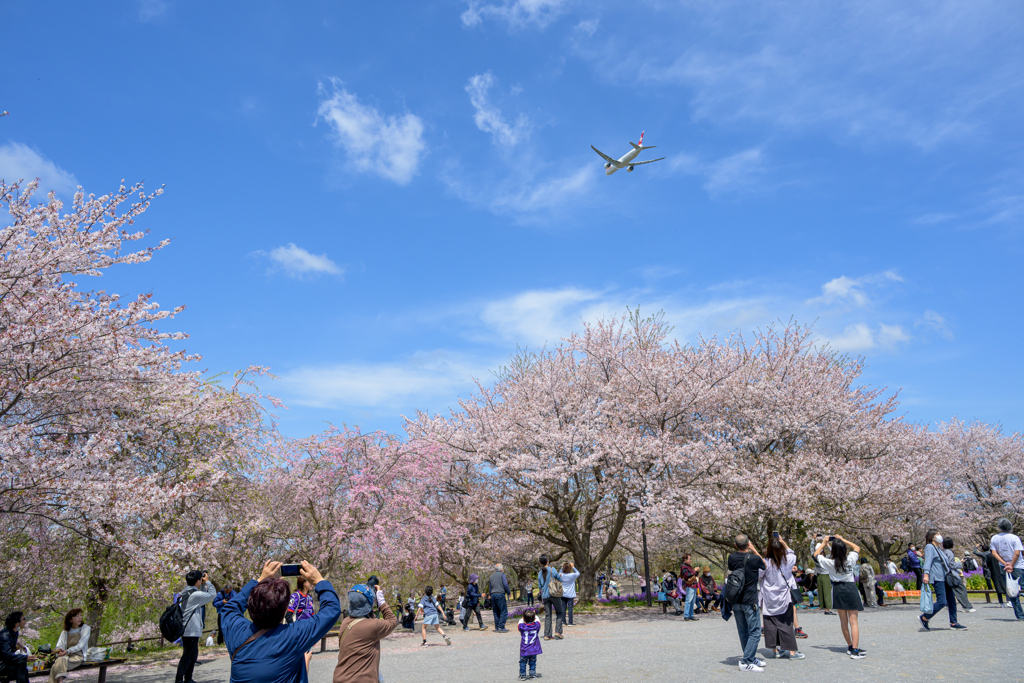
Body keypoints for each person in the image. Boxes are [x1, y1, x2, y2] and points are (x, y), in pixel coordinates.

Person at [220, 561, 339, 683]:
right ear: (283, 611)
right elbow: (332, 610)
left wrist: (259, 580)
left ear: (250, 605)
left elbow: (229, 608)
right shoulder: (293, 636)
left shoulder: (236, 631)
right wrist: (319, 580)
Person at [333, 581, 397, 683]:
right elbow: (392, 620)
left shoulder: (345, 623)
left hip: (340, 678)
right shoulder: (373, 626)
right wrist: (380, 599)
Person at [814, 534, 866, 658]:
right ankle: (855, 649)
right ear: (844, 550)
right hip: (850, 588)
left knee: (843, 621)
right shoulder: (850, 559)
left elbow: (815, 555)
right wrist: (843, 539)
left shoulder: (829, 562)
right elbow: (857, 548)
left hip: (838, 589)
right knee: (854, 622)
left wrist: (823, 542)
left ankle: (849, 646)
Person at [726, 535, 767, 672]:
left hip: (736, 600)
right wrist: (754, 550)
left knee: (743, 631)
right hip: (750, 601)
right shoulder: (755, 559)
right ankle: (746, 661)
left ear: (736, 545)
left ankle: (750, 656)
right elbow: (765, 565)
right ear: (748, 544)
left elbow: (733, 568)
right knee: (755, 632)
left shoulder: (731, 558)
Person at [760, 537, 803, 660]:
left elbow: (759, 576)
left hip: (769, 598)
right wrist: (783, 541)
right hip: (784, 597)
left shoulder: (765, 563)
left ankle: (775, 651)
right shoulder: (788, 561)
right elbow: (791, 552)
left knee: (770, 624)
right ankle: (792, 652)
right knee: (786, 624)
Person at [918, 528, 967, 631]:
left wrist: (959, 565)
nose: (941, 536)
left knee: (952, 601)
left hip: (945, 577)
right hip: (937, 578)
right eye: (938, 534)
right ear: (933, 537)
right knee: (942, 602)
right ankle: (924, 617)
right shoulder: (929, 547)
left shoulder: (939, 549)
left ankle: (954, 623)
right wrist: (926, 574)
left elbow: (947, 563)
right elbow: (928, 562)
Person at [175, 570, 216, 683]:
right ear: (198, 580)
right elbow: (212, 594)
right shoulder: (194, 594)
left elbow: (202, 600)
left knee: (192, 656)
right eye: (200, 580)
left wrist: (202, 585)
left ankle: (188, 678)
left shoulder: (188, 592)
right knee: (187, 656)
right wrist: (208, 582)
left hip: (190, 630)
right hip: (190, 630)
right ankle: (179, 680)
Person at [989, 518, 1024, 620]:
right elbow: (1017, 553)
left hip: (1003, 567)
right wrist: (1011, 564)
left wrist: (1005, 563)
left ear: (999, 527)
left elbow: (994, 552)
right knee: (1021, 587)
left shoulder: (994, 538)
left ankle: (1020, 615)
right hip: (1018, 566)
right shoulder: (1015, 538)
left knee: (1012, 590)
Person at [49, 609, 90, 683]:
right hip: (65, 656)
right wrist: (60, 650)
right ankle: (61, 681)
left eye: (80, 615)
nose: (80, 618)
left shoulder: (85, 629)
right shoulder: (65, 632)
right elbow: (60, 645)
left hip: (78, 656)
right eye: (77, 616)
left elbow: (80, 645)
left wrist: (67, 651)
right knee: (61, 660)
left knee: (55, 666)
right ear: (70, 620)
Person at [1, 612, 38, 683]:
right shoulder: (4, 635)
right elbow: (7, 655)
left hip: (7, 664)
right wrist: (25, 657)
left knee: (22, 667)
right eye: (23, 619)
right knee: (22, 663)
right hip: (2, 666)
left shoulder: (14, 633)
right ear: (16, 623)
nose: (25, 621)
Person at [943, 539, 975, 613]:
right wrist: (960, 564)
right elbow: (951, 564)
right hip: (952, 575)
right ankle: (966, 606)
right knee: (961, 589)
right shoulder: (949, 552)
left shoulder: (943, 551)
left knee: (951, 591)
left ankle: (948, 605)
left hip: (946, 574)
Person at [537, 555, 564, 640]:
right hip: (554, 594)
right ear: (548, 561)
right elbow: (560, 579)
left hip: (545, 596)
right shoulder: (553, 570)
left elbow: (540, 586)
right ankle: (558, 631)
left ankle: (547, 635)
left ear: (540, 563)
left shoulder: (539, 573)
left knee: (548, 615)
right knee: (559, 612)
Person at [517, 609, 542, 681]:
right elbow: (538, 621)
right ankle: (532, 674)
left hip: (525, 649)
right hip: (534, 648)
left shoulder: (522, 627)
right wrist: (535, 615)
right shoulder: (536, 626)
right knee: (533, 662)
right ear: (534, 618)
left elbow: (519, 623)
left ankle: (522, 675)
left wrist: (522, 618)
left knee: (522, 662)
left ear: (524, 619)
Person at [811, 535, 834, 614]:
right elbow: (833, 554)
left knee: (821, 592)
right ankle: (828, 609)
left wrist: (813, 539)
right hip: (825, 575)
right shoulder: (825, 558)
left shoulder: (814, 557)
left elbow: (811, 549)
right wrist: (828, 546)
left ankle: (823, 607)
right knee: (827, 592)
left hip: (819, 576)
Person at [489, 563, 512, 633]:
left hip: (493, 595)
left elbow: (490, 587)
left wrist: (491, 594)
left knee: (496, 612)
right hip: (500, 594)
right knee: (503, 611)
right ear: (501, 569)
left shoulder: (492, 576)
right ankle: (501, 626)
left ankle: (497, 627)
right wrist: (508, 592)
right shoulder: (502, 575)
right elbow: (505, 584)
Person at [559, 562, 580, 627]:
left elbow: (558, 573)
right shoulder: (572, 575)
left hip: (563, 594)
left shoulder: (561, 575)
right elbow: (578, 573)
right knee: (570, 608)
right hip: (570, 594)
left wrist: (562, 567)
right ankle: (570, 622)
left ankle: (563, 622)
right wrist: (573, 566)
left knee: (563, 608)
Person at [680, 554, 699, 621]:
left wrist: (697, 571)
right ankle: (686, 616)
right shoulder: (683, 566)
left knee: (692, 601)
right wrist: (694, 570)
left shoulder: (689, 566)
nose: (690, 560)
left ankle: (691, 615)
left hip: (694, 585)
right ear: (685, 559)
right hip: (689, 586)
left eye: (690, 559)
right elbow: (687, 575)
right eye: (689, 559)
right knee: (688, 601)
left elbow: (694, 575)